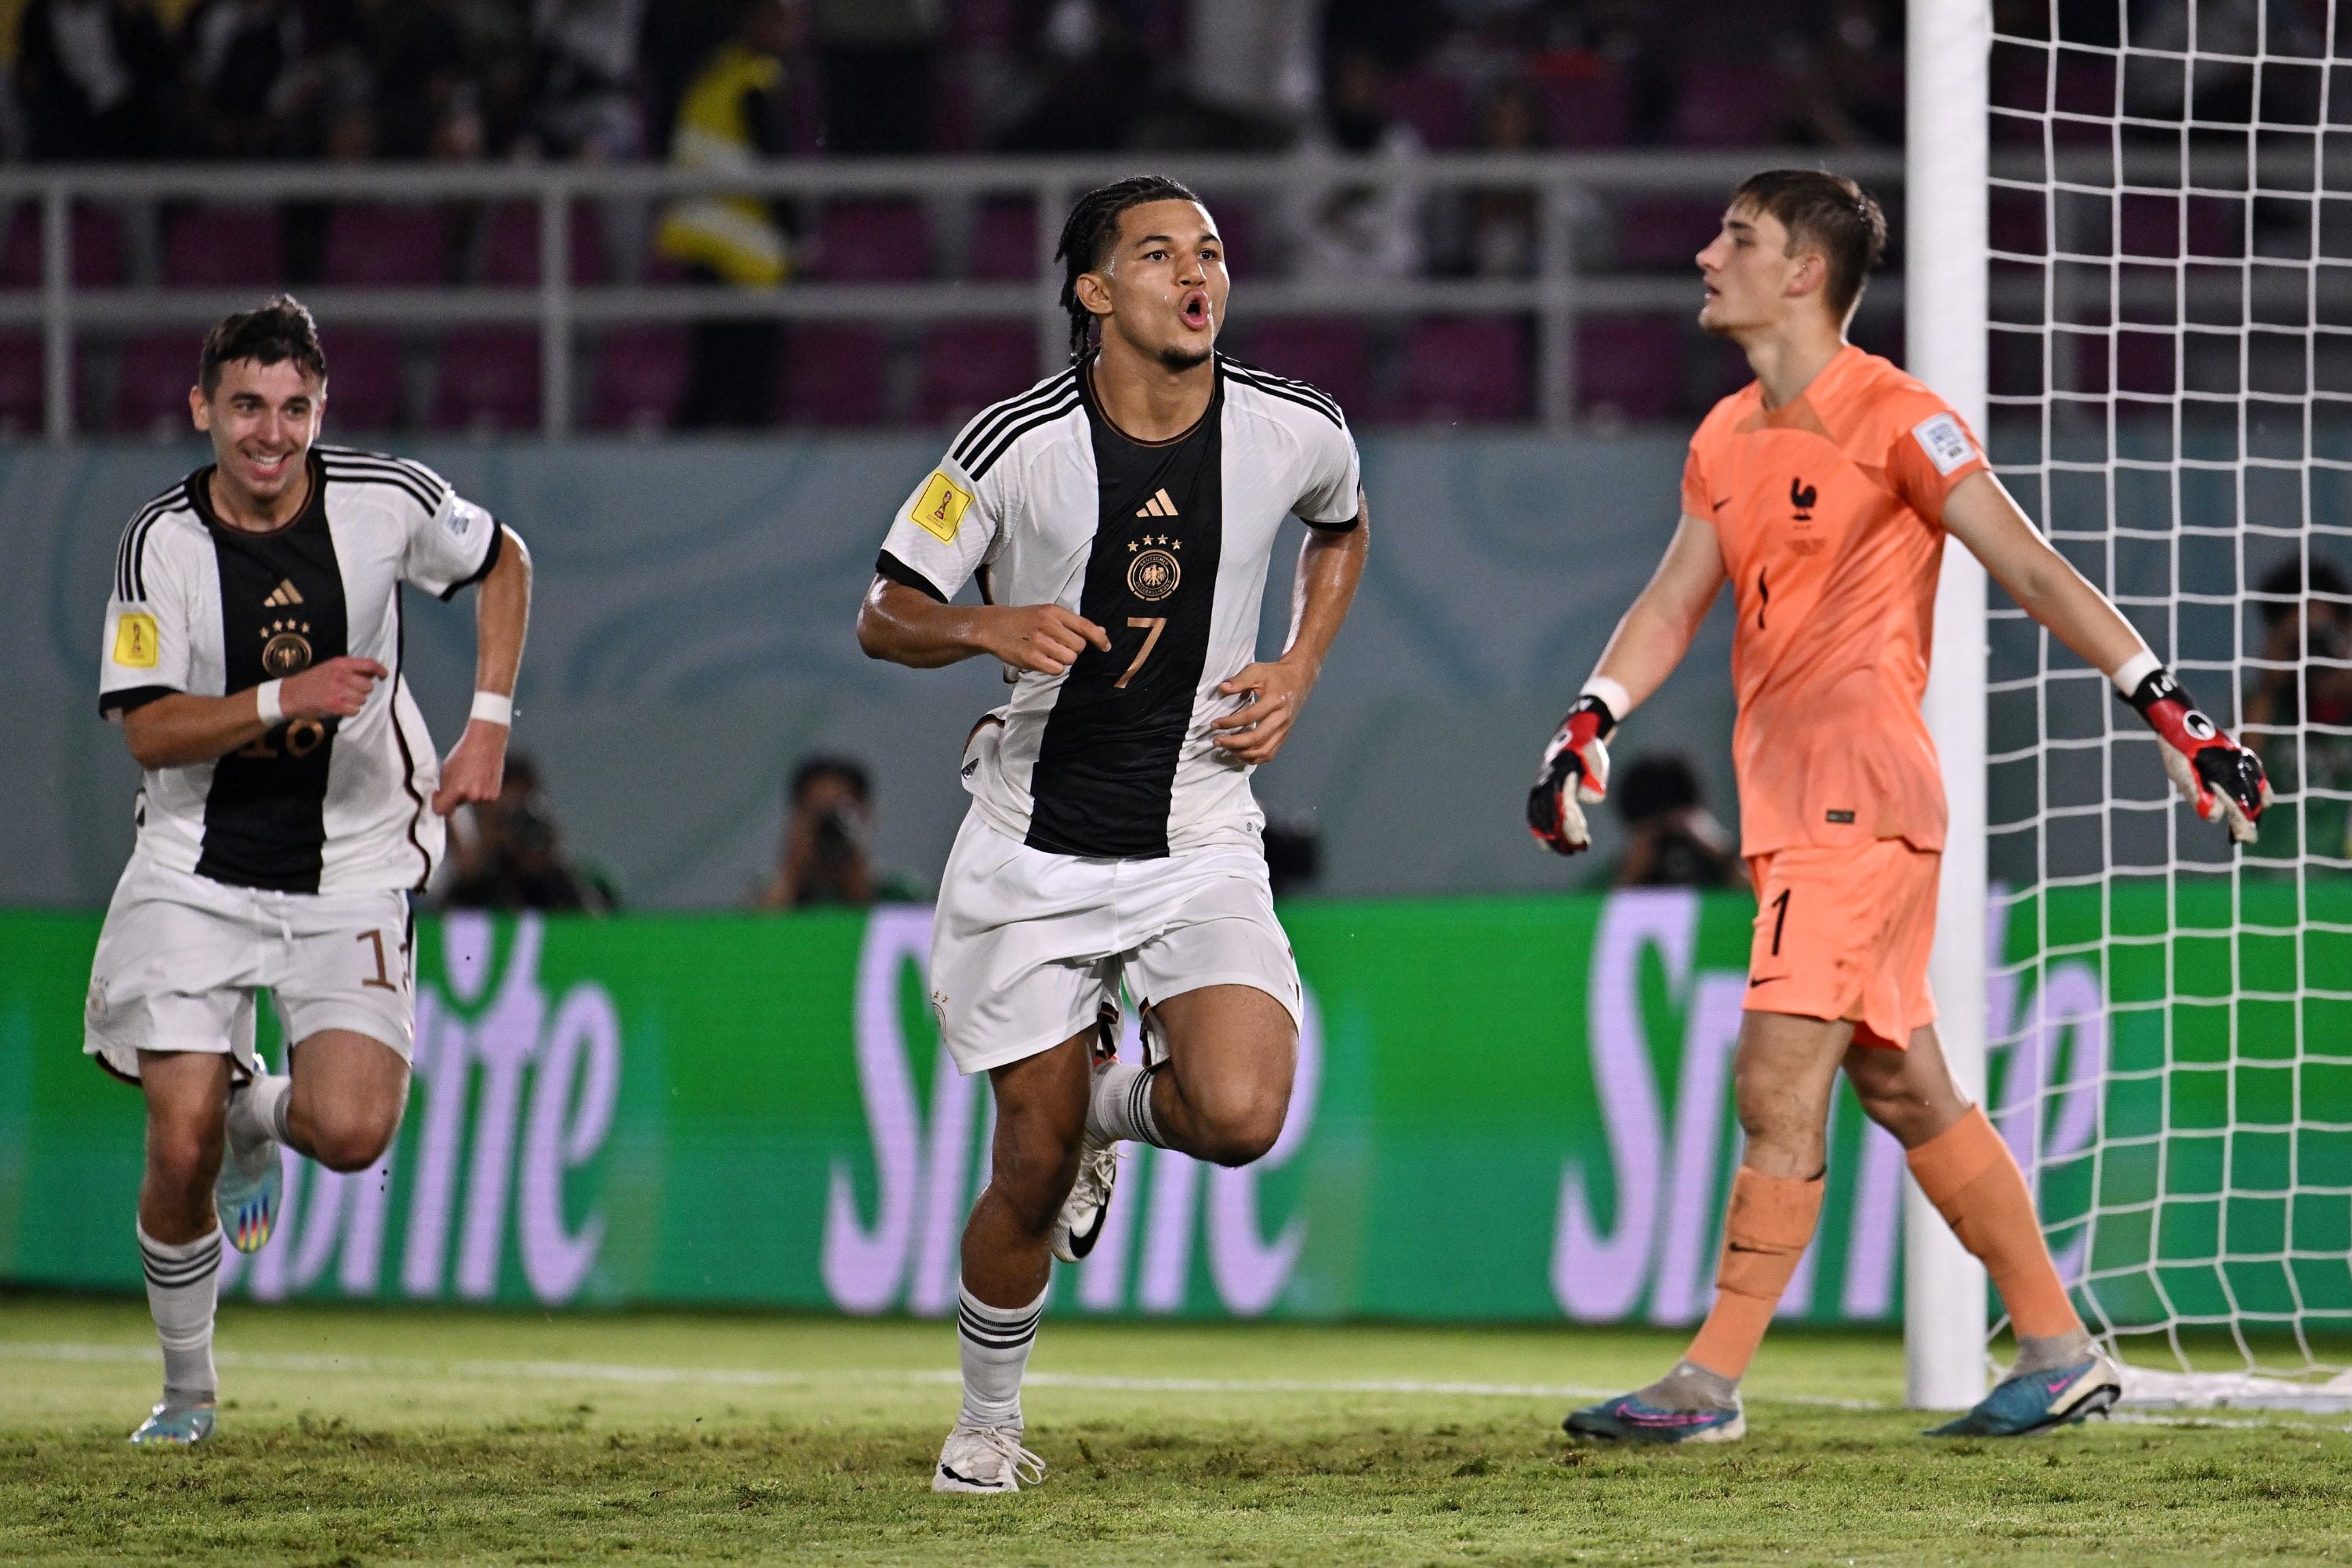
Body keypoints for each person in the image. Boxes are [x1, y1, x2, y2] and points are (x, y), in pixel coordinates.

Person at [1526, 170, 2268, 1445]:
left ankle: (1708, 1382)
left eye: (1738, 239)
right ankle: (2056, 1347)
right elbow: (1670, 603)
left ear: (1804, 272)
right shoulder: (1723, 438)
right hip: (1798, 804)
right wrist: (1587, 720)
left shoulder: (1899, 417)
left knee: (1776, 1078)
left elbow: (2026, 559)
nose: (1706, 255)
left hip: (1857, 799)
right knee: (1906, 1086)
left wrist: (2169, 705)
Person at [856, 174, 1367, 1494]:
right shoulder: (1010, 446)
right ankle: (986, 1422)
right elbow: (886, 610)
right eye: (1157, 254)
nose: (1197, 274)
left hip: (1199, 829)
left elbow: (1344, 526)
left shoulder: (1292, 427)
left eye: (1207, 250)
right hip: (1034, 844)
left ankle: (1112, 1112)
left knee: (1245, 1114)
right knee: (1024, 1164)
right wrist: (987, 625)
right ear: (1094, 292)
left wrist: (1304, 663)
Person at [87, 296, 533, 1445]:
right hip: (197, 866)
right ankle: (186, 1394)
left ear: (320, 408)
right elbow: (147, 730)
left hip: (355, 862)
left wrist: (488, 721)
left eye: (293, 408)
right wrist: (289, 696)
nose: (270, 434)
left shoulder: (388, 500)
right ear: (204, 410)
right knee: (176, 1134)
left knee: (349, 1134)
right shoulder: (160, 545)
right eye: (246, 407)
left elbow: (505, 560)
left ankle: (263, 1117)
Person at [655, 0, 796, 429]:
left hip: (705, 248)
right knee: (746, 388)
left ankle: (680, 470)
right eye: (777, 17)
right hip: (742, 255)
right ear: (754, 21)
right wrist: (797, 235)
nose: (787, 28)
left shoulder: (711, 73)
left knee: (712, 379)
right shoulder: (755, 82)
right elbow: (772, 169)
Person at [441, 752, 615, 913]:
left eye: (525, 815)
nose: (519, 831)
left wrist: (557, 872)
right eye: (503, 821)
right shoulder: (471, 894)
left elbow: (605, 934)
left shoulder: (589, 885)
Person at [755, 755, 919, 909]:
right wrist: (791, 874)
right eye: (817, 813)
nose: (828, 828)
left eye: (841, 814)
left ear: (867, 817)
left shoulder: (903, 897)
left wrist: (860, 882)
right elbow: (754, 935)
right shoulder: (764, 897)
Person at [1610, 752, 1739, 888]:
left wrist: (1723, 856)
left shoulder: (1717, 859)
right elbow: (1598, 905)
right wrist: (1630, 875)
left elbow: (1754, 893)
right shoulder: (1621, 869)